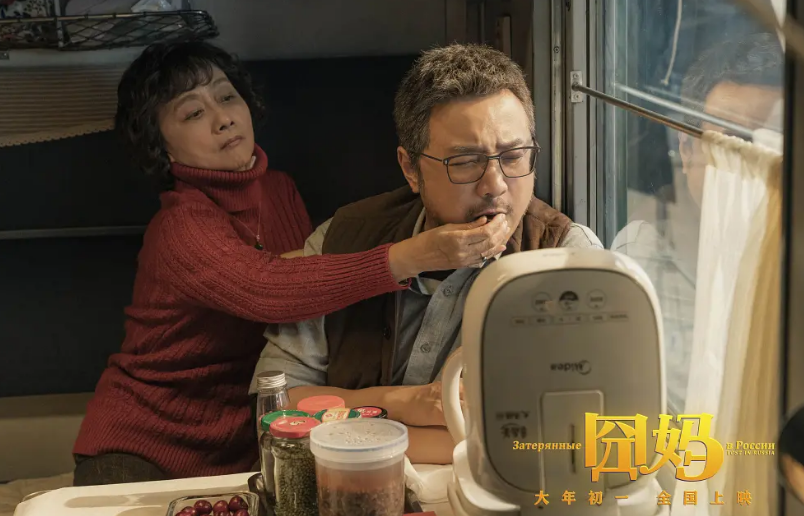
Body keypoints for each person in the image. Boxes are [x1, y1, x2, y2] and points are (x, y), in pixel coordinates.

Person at [72, 41, 512, 486]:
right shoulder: (180, 226)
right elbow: (269, 291)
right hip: (143, 444)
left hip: (244, 443)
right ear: (161, 146)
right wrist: (417, 254)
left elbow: (308, 289)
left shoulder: (278, 190)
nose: (223, 118)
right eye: (193, 113)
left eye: (226, 96)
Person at [251, 43, 603, 464]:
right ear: (410, 169)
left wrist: (357, 422)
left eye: (513, 156)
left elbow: (560, 437)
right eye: (466, 162)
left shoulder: (567, 259)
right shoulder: (342, 238)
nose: (495, 185)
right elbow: (277, 411)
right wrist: (404, 403)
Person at [611, 32, 783, 415]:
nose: (759, 167)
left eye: (775, 145)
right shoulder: (643, 263)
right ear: (687, 150)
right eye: (734, 145)